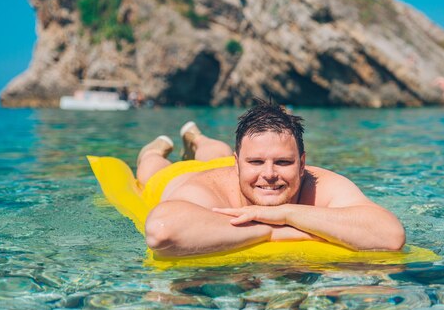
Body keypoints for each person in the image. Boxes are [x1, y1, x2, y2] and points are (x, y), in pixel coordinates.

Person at [138, 101, 405, 257]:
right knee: (152, 167)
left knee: (214, 151)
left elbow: (390, 236)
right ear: (238, 164)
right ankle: (159, 147)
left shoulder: (323, 184)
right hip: (180, 177)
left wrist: (287, 213)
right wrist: (274, 229)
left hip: (235, 164)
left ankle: (196, 138)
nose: (269, 174)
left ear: (302, 164)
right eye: (255, 162)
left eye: (283, 162)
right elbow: (162, 233)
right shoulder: (203, 189)